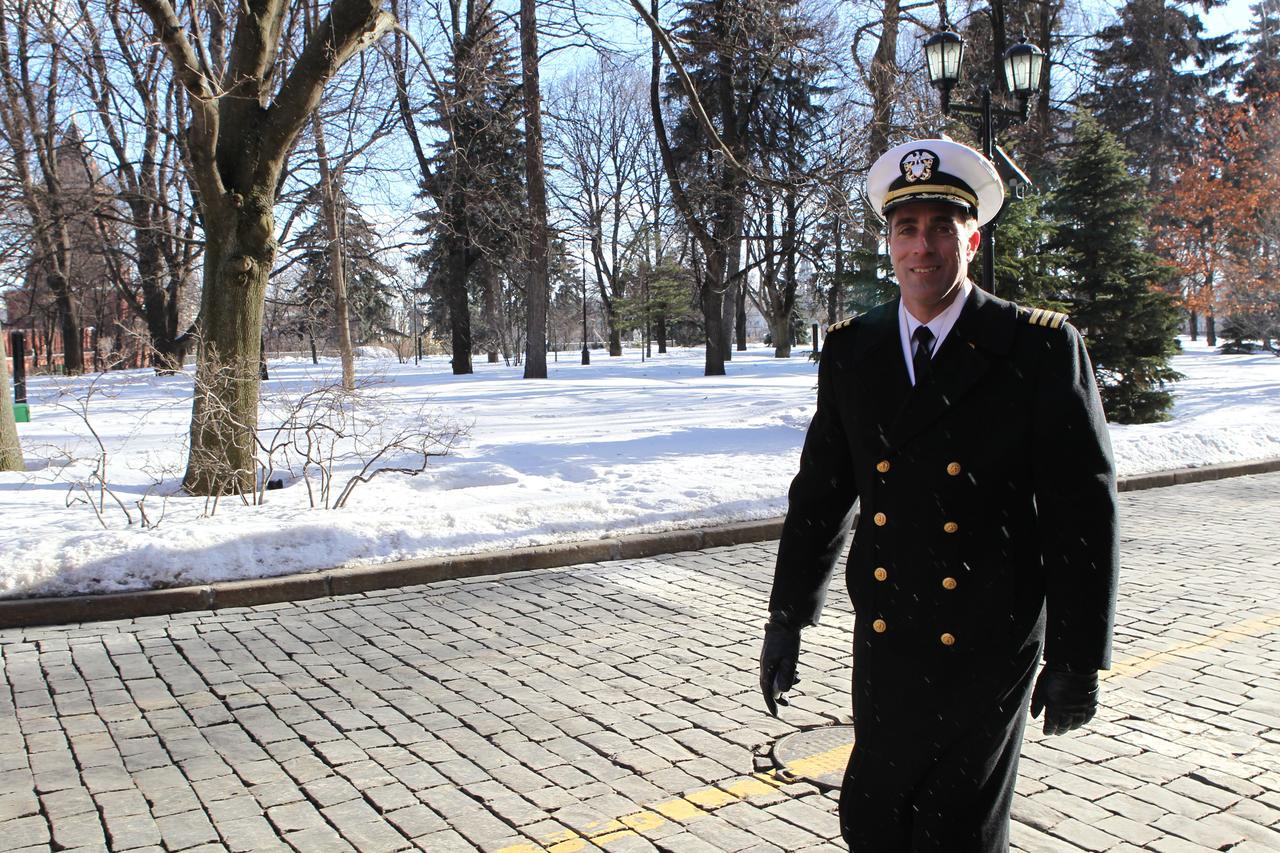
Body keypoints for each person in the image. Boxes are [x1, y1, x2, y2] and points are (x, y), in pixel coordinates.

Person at [758, 137, 1119, 852]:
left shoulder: (1037, 348)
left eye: (940, 228)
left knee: (954, 828)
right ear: (888, 241)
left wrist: (1078, 657)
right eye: (906, 228)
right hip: (889, 632)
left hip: (988, 636)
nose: (921, 247)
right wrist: (787, 615)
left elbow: (1082, 508)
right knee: (874, 816)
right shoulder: (854, 349)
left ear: (972, 240)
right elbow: (822, 495)